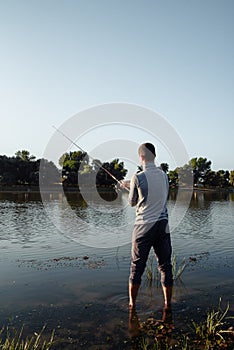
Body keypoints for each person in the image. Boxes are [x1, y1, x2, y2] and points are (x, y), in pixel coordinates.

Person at [127, 142, 173, 309]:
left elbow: (132, 202)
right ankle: (168, 305)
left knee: (136, 267)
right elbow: (163, 197)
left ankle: (132, 305)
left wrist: (128, 188)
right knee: (165, 266)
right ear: (154, 156)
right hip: (162, 225)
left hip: (143, 226)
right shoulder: (164, 175)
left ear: (141, 157)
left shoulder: (137, 177)